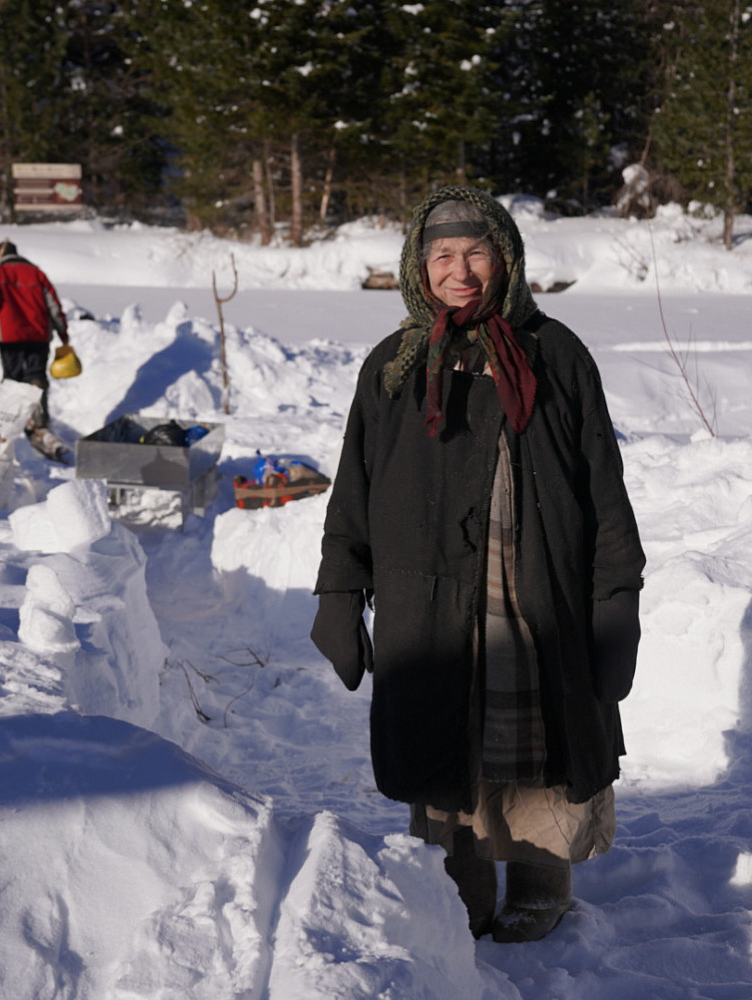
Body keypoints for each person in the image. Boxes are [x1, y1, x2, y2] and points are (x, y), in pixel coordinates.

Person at [312, 187, 645, 943]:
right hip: (425, 597)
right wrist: (338, 589)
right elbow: (353, 488)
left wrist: (616, 598)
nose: (459, 271)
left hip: (537, 587)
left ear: (505, 258)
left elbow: (602, 487)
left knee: (538, 743)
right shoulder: (393, 367)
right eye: (441, 257)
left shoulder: (554, 354)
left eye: (475, 253)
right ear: (417, 268)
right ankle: (455, 886)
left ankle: (539, 879)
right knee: (445, 740)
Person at [0, 239, 71, 461]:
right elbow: (54, 305)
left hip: (10, 335)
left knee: (13, 379)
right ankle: (39, 423)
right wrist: (62, 331)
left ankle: (10, 419)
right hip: (38, 334)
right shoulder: (36, 273)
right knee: (36, 376)